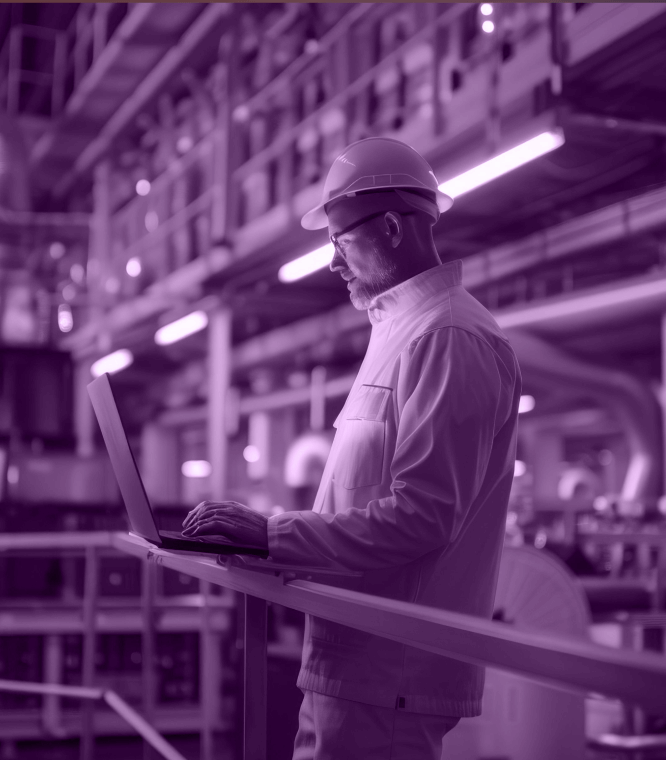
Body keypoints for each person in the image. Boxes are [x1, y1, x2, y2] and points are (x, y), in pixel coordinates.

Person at [182, 137, 523, 760]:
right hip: (352, 662)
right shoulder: (400, 330)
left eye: (339, 242)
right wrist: (261, 547)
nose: (334, 262)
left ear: (391, 226)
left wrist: (271, 536)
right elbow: (362, 497)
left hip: (390, 674)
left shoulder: (448, 338)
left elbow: (423, 516)